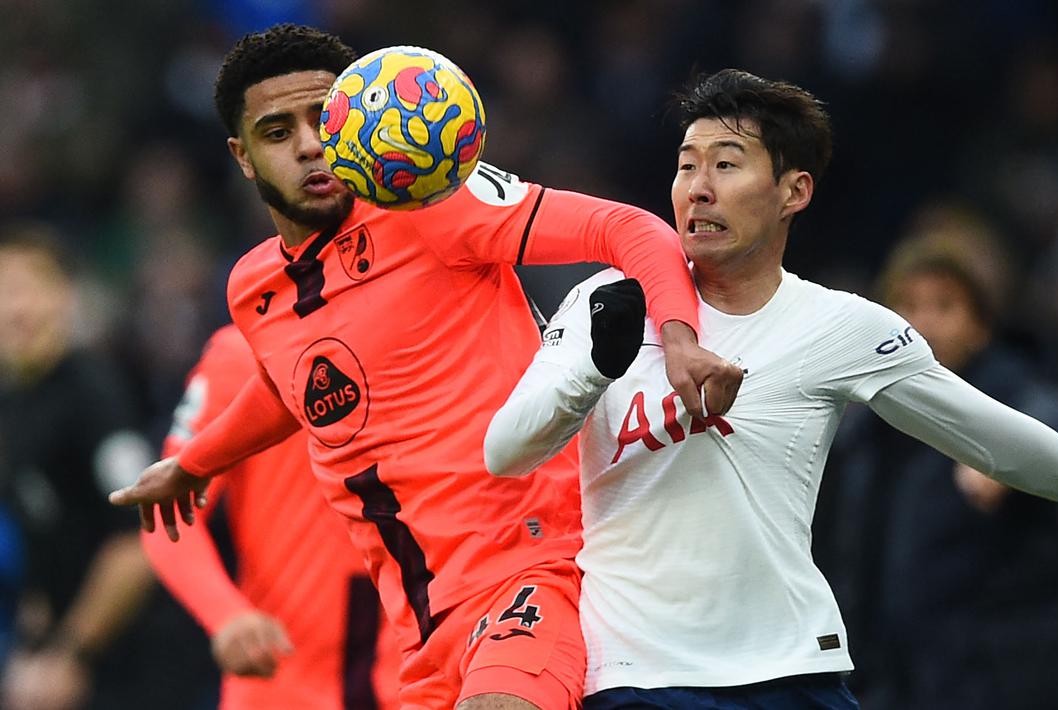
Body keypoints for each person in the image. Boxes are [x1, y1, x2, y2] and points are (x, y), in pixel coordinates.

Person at [482, 69, 1058, 709]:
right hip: (640, 673)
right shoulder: (607, 304)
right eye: (686, 165)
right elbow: (505, 450)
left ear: (793, 190)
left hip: (795, 669)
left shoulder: (839, 327)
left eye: (726, 164)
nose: (697, 187)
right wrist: (593, 366)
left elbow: (991, 435)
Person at [109, 23, 741, 710]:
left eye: (323, 119)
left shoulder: (434, 208)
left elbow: (626, 229)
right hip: (420, 627)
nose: (310, 145)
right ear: (242, 157)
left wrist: (679, 336)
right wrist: (197, 463)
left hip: (531, 569)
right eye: (277, 131)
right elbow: (287, 383)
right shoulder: (253, 287)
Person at [817, 211, 1058, 709]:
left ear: (980, 325)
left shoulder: (1008, 403)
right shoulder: (864, 429)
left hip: (999, 684)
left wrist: (1013, 460)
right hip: (892, 682)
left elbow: (1052, 425)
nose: (922, 322)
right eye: (907, 305)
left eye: (944, 306)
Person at [0, 224, 210, 710]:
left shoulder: (94, 391)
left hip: (141, 666)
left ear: (64, 296)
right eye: (5, 291)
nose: (16, 308)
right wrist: (36, 647)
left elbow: (135, 542)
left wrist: (70, 655)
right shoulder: (16, 402)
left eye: (30, 287)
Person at [143, 324, 401, 709]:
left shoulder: (423, 333)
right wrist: (226, 615)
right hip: (283, 678)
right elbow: (168, 516)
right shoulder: (242, 353)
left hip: (419, 673)